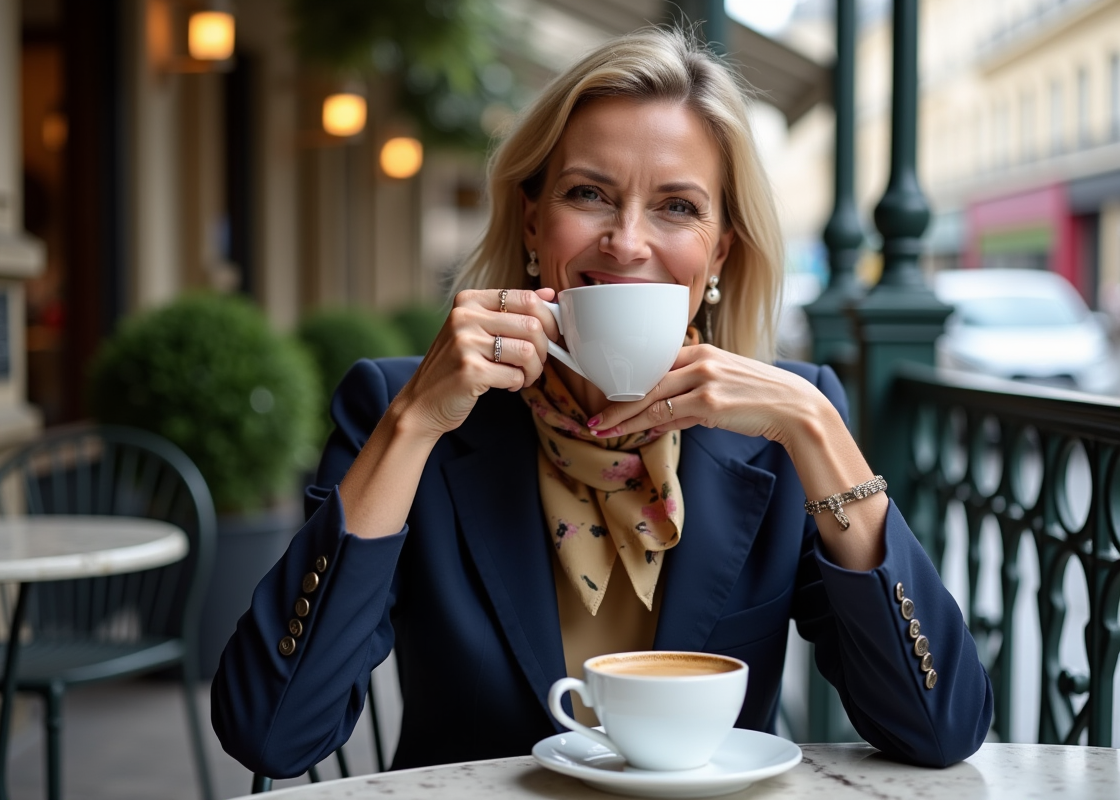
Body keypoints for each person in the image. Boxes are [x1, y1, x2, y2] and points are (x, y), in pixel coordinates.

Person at [210, 26, 992, 778]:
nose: (625, 242)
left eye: (678, 207)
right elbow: (272, 732)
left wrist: (819, 430)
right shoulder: (403, 408)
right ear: (531, 221)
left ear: (718, 253)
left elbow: (938, 727)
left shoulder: (784, 430)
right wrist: (414, 425)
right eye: (589, 193)